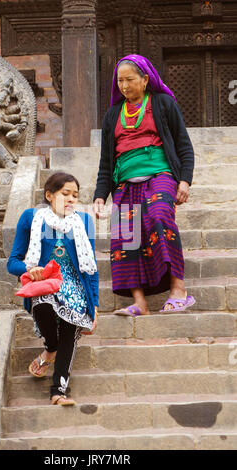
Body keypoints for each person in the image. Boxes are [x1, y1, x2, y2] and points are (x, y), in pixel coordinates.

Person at [93, 54, 195, 316]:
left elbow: (184, 145)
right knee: (127, 237)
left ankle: (179, 290)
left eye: (129, 79)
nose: (124, 86)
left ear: (145, 79)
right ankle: (139, 302)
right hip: (125, 182)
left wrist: (184, 180)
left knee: (160, 217)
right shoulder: (113, 115)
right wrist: (100, 195)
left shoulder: (162, 104)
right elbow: (106, 161)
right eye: (120, 81)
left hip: (160, 174)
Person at [7, 172, 99, 405]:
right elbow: (13, 261)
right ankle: (50, 347)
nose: (71, 199)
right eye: (65, 193)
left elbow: (91, 269)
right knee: (44, 300)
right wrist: (30, 271)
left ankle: (58, 391)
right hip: (45, 283)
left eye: (75, 195)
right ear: (49, 195)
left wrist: (95, 304)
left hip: (76, 287)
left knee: (72, 326)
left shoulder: (84, 221)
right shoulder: (31, 218)